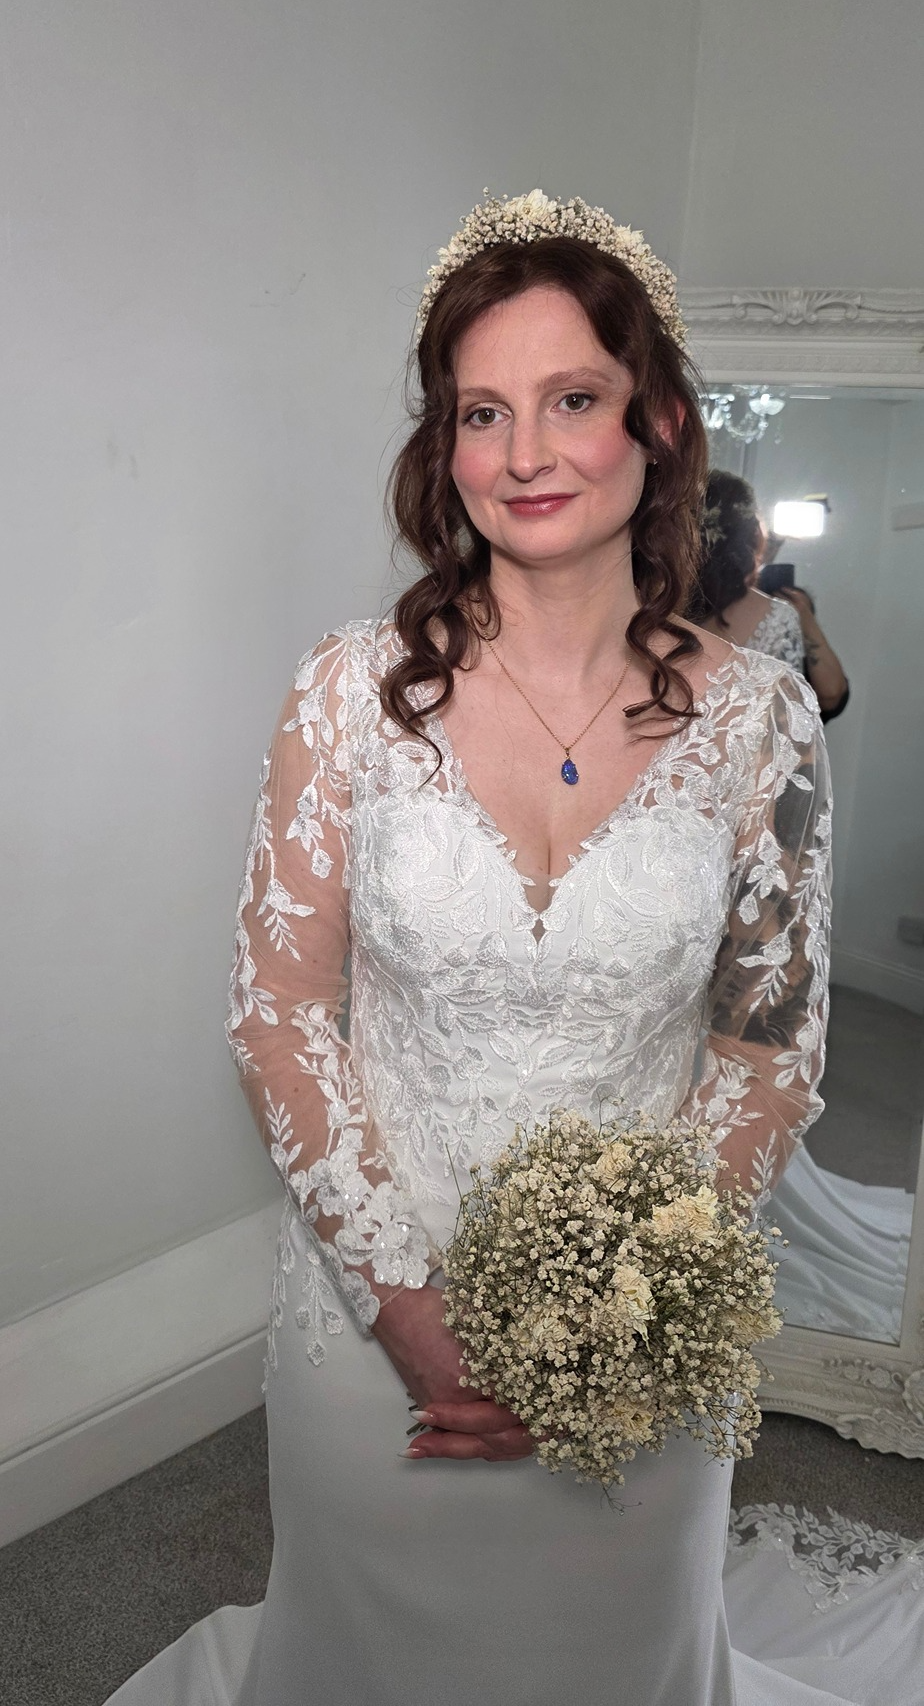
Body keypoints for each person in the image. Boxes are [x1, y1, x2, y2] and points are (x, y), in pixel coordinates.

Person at [105, 192, 924, 1706]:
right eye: (483, 412)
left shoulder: (761, 720)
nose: (526, 452)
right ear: (447, 445)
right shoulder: (347, 694)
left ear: (657, 421)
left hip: (652, 1336)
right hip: (371, 1325)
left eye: (573, 400)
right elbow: (280, 1014)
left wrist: (624, 1325)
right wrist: (408, 1313)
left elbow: (768, 1052)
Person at [691, 469, 850, 721]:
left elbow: (832, 694)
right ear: (754, 535)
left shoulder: (658, 600)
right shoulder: (776, 614)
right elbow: (812, 706)